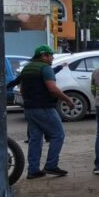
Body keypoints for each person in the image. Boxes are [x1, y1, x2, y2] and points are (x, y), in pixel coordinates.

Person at [18, 45, 74, 179]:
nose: (52, 58)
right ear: (44, 56)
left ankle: (33, 170)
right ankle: (51, 165)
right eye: (50, 55)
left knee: (35, 139)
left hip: (29, 108)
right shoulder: (45, 68)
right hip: (44, 107)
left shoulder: (27, 68)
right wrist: (67, 100)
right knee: (58, 135)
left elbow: (21, 90)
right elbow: (52, 89)